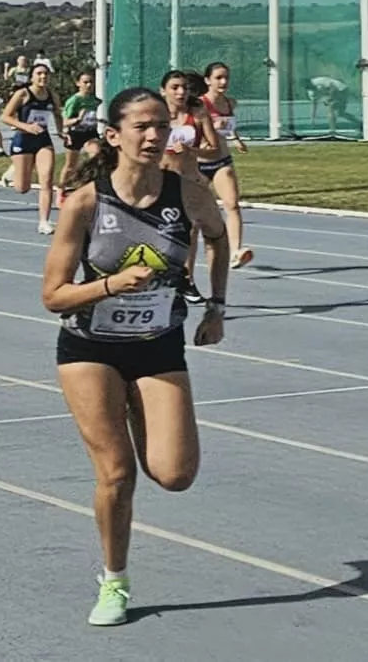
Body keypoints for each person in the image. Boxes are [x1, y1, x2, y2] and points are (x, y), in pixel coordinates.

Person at [41, 86, 230, 627]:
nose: (153, 136)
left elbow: (217, 238)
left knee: (174, 475)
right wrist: (111, 286)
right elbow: (53, 296)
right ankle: (114, 580)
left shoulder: (188, 194)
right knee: (118, 473)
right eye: (141, 126)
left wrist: (215, 306)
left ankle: (134, 402)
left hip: (158, 346)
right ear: (114, 135)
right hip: (90, 349)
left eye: (161, 125)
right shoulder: (85, 203)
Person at [160, 69, 217, 304]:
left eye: (184, 87)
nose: (181, 92)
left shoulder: (198, 113)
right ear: (163, 91)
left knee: (191, 230)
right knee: (160, 230)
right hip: (160, 179)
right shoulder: (156, 114)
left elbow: (214, 149)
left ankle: (187, 279)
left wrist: (193, 150)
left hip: (189, 179)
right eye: (175, 87)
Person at [199, 61, 253, 270]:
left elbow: (229, 125)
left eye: (226, 78)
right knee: (194, 213)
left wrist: (237, 139)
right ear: (207, 81)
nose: (223, 82)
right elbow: (191, 129)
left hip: (222, 161)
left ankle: (235, 252)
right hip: (199, 163)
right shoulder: (200, 104)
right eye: (218, 78)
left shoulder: (229, 103)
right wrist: (211, 126)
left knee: (232, 205)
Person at [0, 63, 63, 235]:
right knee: (22, 188)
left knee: (47, 181)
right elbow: (5, 116)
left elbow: (58, 115)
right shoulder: (23, 94)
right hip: (23, 139)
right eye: (39, 73)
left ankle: (44, 222)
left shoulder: (52, 95)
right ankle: (14, 169)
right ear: (32, 77)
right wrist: (26, 127)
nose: (43, 77)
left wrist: (61, 132)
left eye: (46, 74)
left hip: (43, 140)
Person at [58, 71, 102, 204]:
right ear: (78, 83)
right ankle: (61, 190)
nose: (89, 85)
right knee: (70, 165)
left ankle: (91, 186)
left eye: (91, 82)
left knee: (96, 155)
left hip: (90, 133)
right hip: (75, 134)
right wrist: (78, 119)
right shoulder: (74, 100)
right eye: (85, 82)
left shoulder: (95, 100)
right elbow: (64, 121)